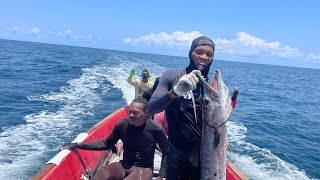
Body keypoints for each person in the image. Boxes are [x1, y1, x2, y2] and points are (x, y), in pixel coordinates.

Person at [147, 36, 238, 180]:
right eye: (199, 52)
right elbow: (150, 109)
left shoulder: (210, 86)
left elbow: (215, 119)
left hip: (205, 162)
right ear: (190, 53)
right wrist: (175, 92)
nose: (204, 57)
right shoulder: (172, 76)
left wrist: (228, 107)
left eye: (209, 54)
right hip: (176, 158)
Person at [61, 97, 168, 180]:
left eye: (135, 113)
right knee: (99, 173)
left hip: (144, 169)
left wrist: (160, 176)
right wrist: (78, 144)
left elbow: (166, 152)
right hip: (124, 164)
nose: (131, 115)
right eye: (130, 111)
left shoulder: (155, 129)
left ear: (146, 115)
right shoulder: (122, 124)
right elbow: (106, 144)